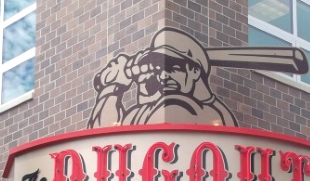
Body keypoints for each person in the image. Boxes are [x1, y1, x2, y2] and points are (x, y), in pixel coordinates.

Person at [87, 28, 238, 128]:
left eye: (174, 67)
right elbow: (104, 147)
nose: (164, 75)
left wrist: (114, 88)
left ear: (194, 71)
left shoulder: (185, 106)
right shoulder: (146, 109)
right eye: (159, 68)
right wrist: (114, 88)